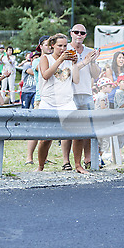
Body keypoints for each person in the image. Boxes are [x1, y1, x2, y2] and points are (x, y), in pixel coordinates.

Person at [37, 33, 83, 173]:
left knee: (77, 133)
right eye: (59, 46)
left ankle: (78, 165)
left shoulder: (69, 60)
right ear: (52, 46)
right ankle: (40, 166)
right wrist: (60, 60)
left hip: (67, 102)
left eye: (65, 46)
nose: (63, 49)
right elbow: (46, 75)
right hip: (48, 101)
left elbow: (76, 80)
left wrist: (74, 64)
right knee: (46, 139)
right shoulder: (45, 58)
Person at [61, 24, 101, 172]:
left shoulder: (90, 51)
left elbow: (96, 76)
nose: (79, 34)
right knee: (68, 130)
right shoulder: (65, 49)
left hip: (86, 93)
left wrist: (92, 61)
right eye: (76, 32)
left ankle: (87, 158)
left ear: (85, 35)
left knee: (87, 130)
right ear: (71, 33)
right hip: (69, 94)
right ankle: (66, 161)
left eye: (82, 33)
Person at [25, 36, 50, 166]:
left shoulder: (52, 59)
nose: (49, 47)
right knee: (36, 129)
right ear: (40, 46)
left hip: (51, 98)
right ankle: (29, 157)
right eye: (46, 44)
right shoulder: (37, 61)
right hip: (40, 98)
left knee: (49, 130)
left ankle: (43, 157)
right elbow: (39, 69)